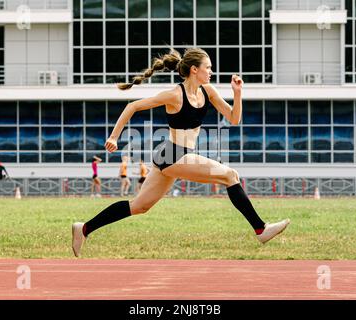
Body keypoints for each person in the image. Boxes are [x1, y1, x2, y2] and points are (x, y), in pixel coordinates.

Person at [72, 48, 290, 257]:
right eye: (208, 67)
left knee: (139, 206)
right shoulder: (175, 94)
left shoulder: (208, 91)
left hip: (174, 157)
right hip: (173, 154)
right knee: (230, 175)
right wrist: (113, 136)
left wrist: (238, 93)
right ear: (194, 69)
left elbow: (233, 118)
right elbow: (132, 106)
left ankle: (84, 228)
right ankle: (261, 229)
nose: (211, 72)